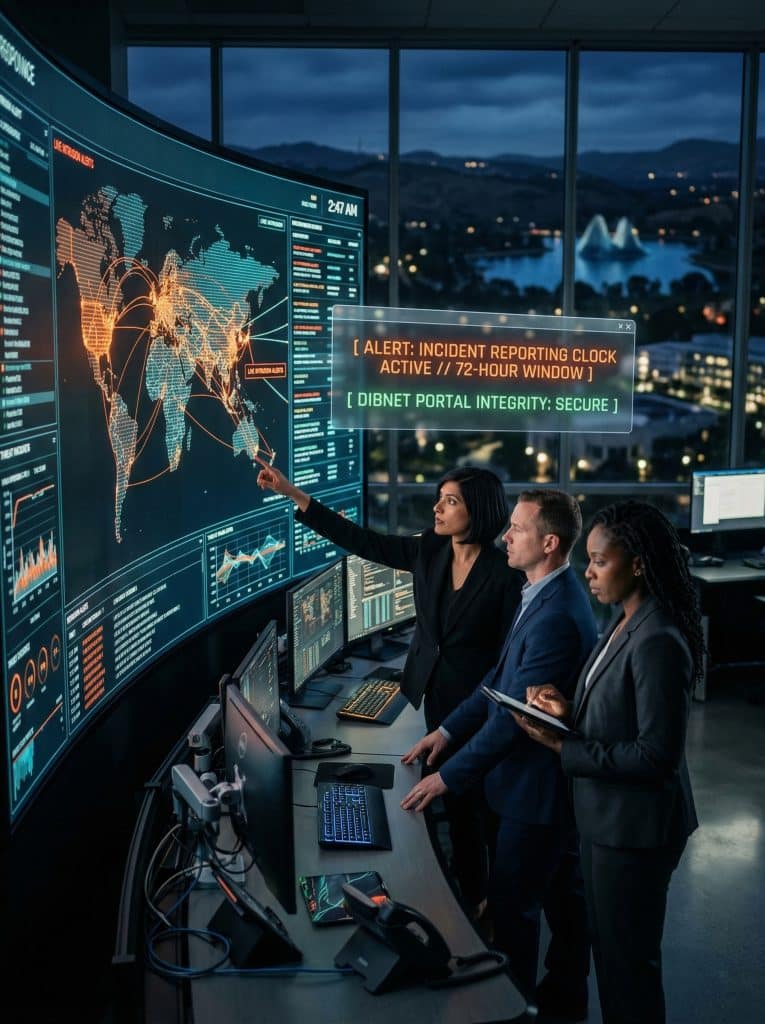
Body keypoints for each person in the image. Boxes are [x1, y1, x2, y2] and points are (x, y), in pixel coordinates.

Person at [256, 463, 522, 917]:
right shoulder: (432, 551)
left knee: (477, 810)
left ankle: (490, 905)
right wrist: (294, 494)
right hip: (434, 698)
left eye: (451, 500)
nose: (437, 507)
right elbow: (366, 543)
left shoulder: (504, 575)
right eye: (440, 496)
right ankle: (473, 901)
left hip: (477, 708)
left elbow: (506, 659)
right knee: (456, 809)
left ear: (477, 510)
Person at [401, 489, 597, 1015]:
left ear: (549, 543)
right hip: (527, 790)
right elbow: (499, 679)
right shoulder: (538, 593)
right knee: (556, 901)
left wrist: (447, 778)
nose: (505, 536)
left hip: (535, 796)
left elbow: (516, 722)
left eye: (517, 529)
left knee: (515, 914)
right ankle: (558, 1003)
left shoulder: (556, 615)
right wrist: (445, 732)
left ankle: (515, 1010)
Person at [514, 500, 702, 1024]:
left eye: (599, 560)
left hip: (635, 831)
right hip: (608, 821)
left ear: (637, 562)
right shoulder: (624, 621)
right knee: (612, 958)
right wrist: (565, 711)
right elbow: (620, 716)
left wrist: (562, 747)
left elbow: (656, 755)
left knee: (628, 970)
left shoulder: (658, 639)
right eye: (588, 559)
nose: (588, 571)